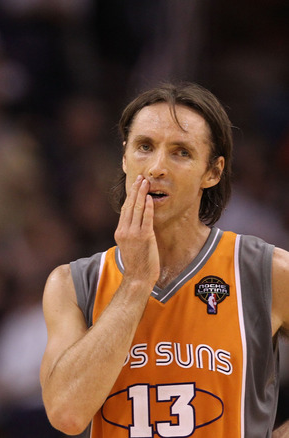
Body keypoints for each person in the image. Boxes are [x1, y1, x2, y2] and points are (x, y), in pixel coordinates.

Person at [40, 82, 289, 437]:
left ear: (213, 172)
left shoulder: (265, 271)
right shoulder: (72, 284)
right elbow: (66, 413)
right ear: (124, 157)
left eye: (181, 152)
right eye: (144, 147)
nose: (156, 167)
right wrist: (136, 282)